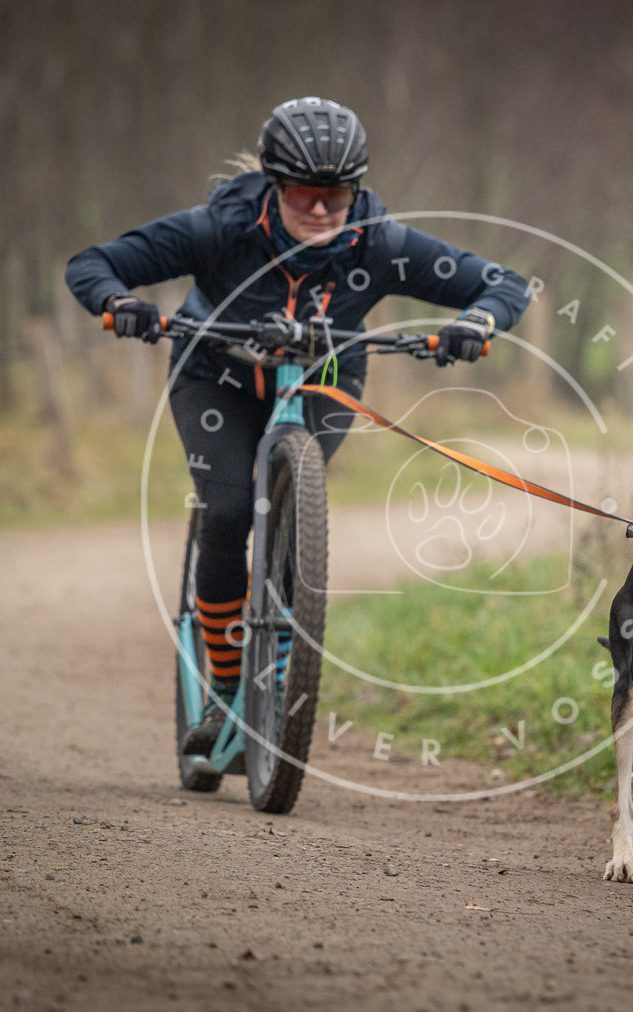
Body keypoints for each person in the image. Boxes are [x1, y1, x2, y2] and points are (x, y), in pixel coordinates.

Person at [65, 96, 530, 754]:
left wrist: (473, 324)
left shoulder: (383, 240)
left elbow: (505, 283)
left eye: (336, 196)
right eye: (307, 193)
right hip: (214, 375)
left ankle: (281, 662)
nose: (321, 209)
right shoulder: (217, 227)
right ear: (276, 185)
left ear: (355, 191)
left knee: (289, 517)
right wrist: (119, 303)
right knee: (226, 511)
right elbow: (90, 262)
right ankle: (226, 689)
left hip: (326, 377)